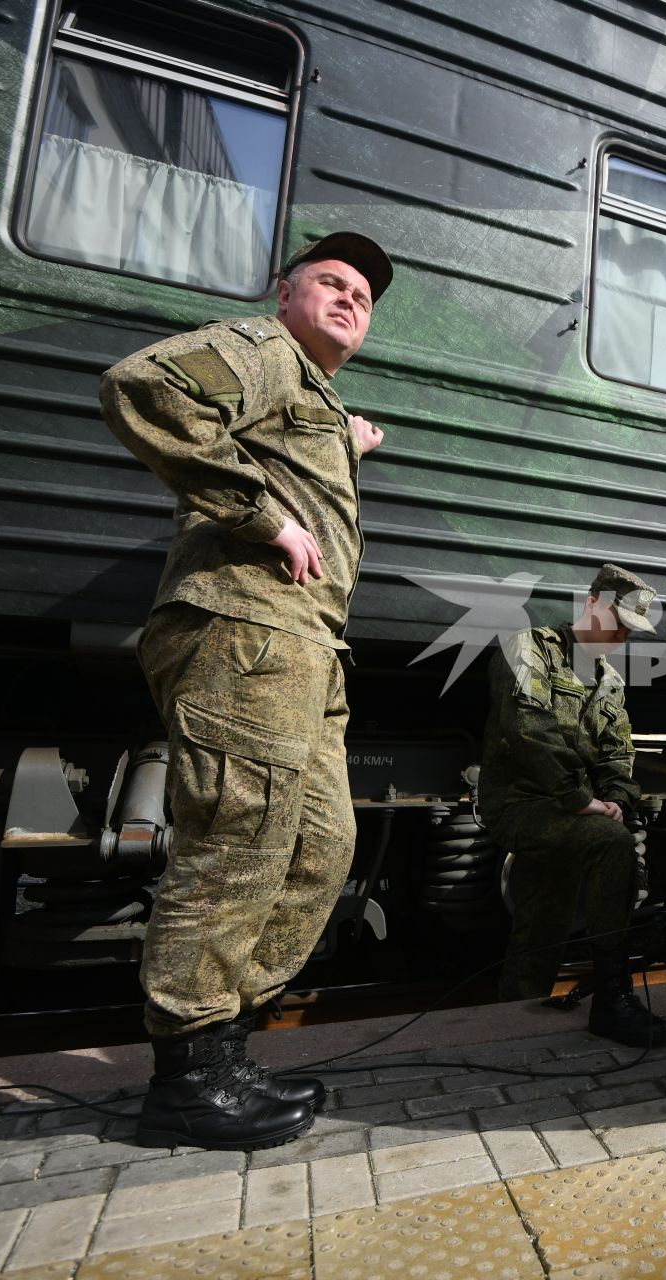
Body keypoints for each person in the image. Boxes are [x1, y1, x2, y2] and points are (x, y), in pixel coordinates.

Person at [100, 231, 394, 1150]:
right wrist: (260, 514)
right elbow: (144, 386)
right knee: (239, 839)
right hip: (246, 632)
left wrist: (344, 443)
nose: (351, 299)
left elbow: (279, 451)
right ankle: (186, 1075)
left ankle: (221, 1043)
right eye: (331, 283)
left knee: (316, 843)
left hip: (303, 644)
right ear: (284, 295)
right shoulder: (267, 350)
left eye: (364, 295)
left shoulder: (310, 393)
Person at [480, 564, 666, 1047]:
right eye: (617, 621)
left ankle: (508, 1027)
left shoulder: (609, 681)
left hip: (572, 811)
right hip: (523, 805)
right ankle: (610, 1001)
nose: (621, 635)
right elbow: (528, 730)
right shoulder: (528, 648)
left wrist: (616, 800)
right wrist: (582, 799)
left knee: (544, 924)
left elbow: (618, 755)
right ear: (591, 603)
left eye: (630, 630)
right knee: (612, 846)